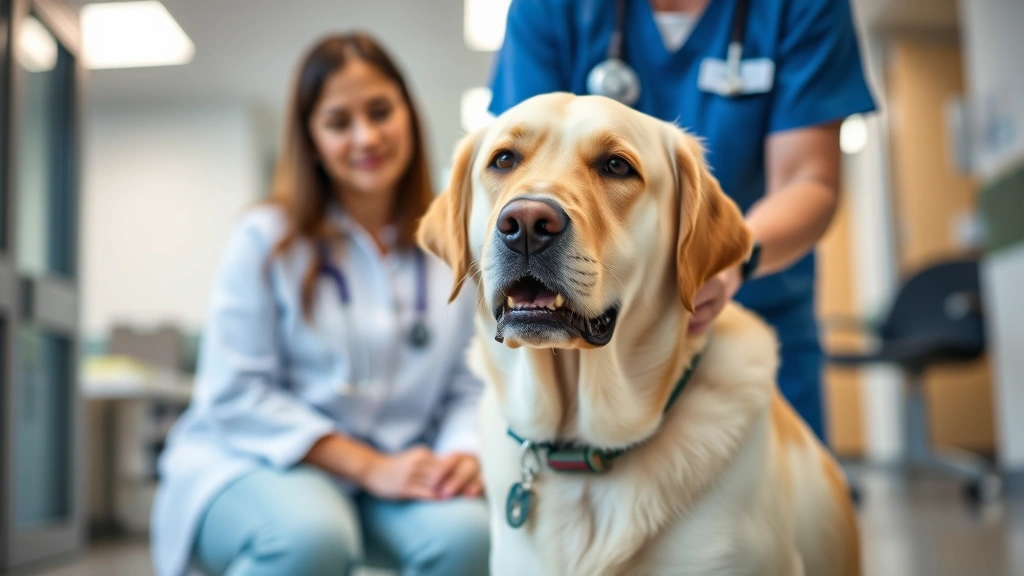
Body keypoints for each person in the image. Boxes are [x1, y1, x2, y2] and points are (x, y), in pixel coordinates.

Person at [150, 33, 489, 576]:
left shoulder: (455, 243)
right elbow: (237, 393)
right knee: (309, 539)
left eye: (381, 111)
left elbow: (466, 386)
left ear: (409, 114)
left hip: (395, 469)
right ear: (310, 139)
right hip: (255, 459)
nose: (366, 136)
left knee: (470, 537)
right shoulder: (265, 238)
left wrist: (461, 454)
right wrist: (369, 467)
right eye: (338, 122)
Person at [488, 0, 876, 441]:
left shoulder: (799, 8)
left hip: (754, 315)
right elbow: (526, 160)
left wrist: (727, 261)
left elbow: (809, 179)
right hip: (588, 347)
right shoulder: (552, 9)